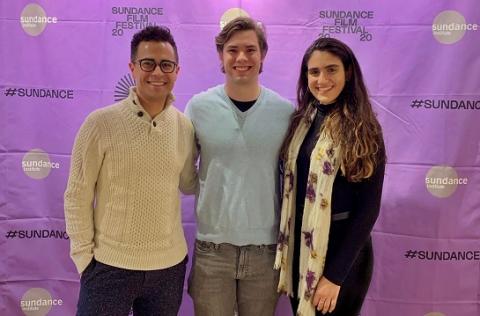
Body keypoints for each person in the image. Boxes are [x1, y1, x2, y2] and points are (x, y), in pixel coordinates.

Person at [64, 26, 197, 316]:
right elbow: (77, 195)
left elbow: (189, 184)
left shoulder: (184, 126)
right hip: (109, 268)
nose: (157, 73)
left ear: (177, 70)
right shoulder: (100, 124)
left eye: (166, 65)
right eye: (147, 63)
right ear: (132, 67)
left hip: (168, 269)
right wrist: (84, 258)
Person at [185, 16, 294, 316]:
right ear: (221, 55)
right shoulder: (198, 107)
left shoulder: (286, 113)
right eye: (233, 50)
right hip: (212, 251)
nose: (242, 58)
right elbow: (183, 173)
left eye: (250, 49)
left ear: (263, 55)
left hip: (266, 251)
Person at [274, 37, 386, 316]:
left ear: (348, 72)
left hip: (343, 257)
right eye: (314, 72)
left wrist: (335, 277)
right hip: (301, 247)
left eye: (331, 69)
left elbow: (368, 210)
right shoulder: (300, 122)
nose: (322, 79)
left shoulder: (364, 129)